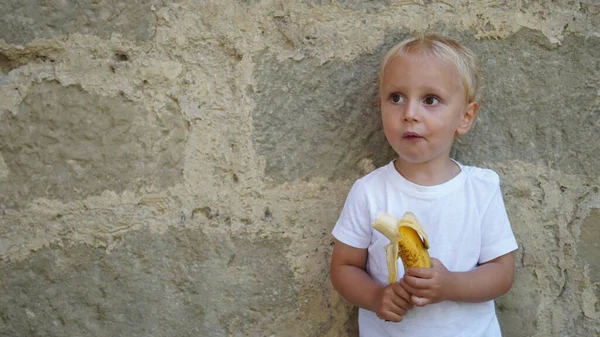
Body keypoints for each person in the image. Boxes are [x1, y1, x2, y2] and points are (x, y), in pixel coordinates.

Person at [329, 34, 518, 337]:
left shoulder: (481, 189)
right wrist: (376, 297)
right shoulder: (369, 192)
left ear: (465, 117)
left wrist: (450, 285)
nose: (410, 114)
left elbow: (502, 272)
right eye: (396, 98)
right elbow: (344, 268)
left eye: (430, 100)